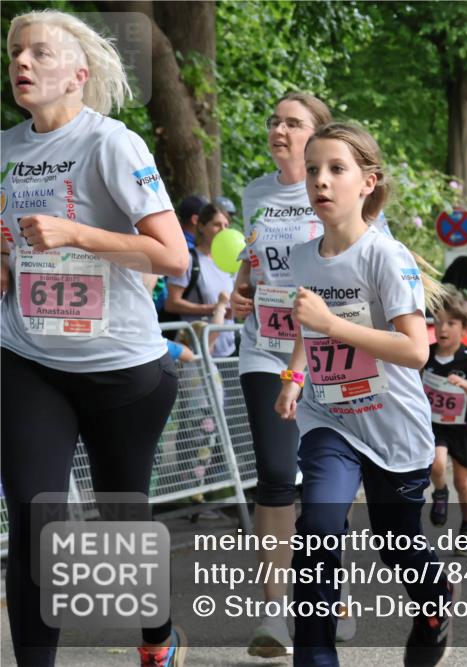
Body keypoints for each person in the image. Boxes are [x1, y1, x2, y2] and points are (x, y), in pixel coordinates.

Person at [1, 10, 189, 666]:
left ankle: (158, 635)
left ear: (78, 75)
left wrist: (76, 233)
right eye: (15, 51)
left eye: (40, 53)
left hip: (121, 367)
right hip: (30, 358)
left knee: (122, 528)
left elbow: (175, 258)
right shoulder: (3, 152)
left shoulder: (112, 144)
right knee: (34, 519)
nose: (22, 61)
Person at [273, 122, 455, 666]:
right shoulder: (304, 256)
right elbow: (310, 328)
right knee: (319, 529)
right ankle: (316, 658)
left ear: (368, 182)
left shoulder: (386, 256)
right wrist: (294, 376)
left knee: (396, 541)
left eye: (335, 170)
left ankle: (433, 603)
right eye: (312, 171)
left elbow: (415, 350)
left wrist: (332, 324)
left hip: (392, 423)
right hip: (330, 418)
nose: (320, 182)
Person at [227, 91, 336, 657]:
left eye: (293, 122)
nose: (279, 129)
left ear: (318, 133)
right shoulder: (256, 192)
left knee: (324, 485)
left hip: (329, 357)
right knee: (274, 471)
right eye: (274, 120)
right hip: (266, 350)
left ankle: (325, 593)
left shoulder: (337, 187)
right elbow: (253, 262)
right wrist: (241, 292)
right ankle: (273, 610)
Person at [424, 288, 467, 555]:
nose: (443, 328)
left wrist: (465, 385)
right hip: (433, 424)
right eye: (437, 321)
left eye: (451, 323)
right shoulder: (424, 355)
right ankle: (440, 491)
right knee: (437, 463)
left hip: (461, 427)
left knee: (463, 482)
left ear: (464, 328)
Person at [165, 202, 235, 357]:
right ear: (201, 227)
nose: (223, 230)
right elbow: (171, 303)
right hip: (197, 353)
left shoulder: (230, 261)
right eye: (216, 225)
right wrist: (212, 309)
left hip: (228, 349)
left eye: (226, 225)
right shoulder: (189, 260)